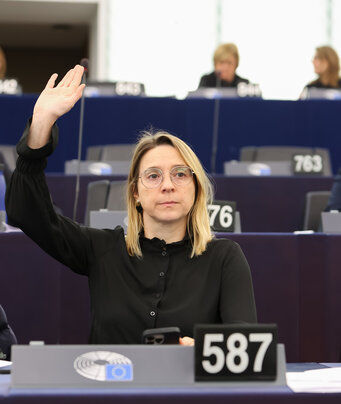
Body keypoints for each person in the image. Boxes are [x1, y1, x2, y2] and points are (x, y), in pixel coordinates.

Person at [5, 65, 257, 346]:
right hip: (110, 389)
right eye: (153, 175)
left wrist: (202, 350)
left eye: (180, 174)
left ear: (196, 188)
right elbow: (26, 211)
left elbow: (245, 346)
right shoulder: (104, 250)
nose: (167, 185)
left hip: (187, 390)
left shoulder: (224, 258)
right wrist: (40, 125)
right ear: (135, 192)